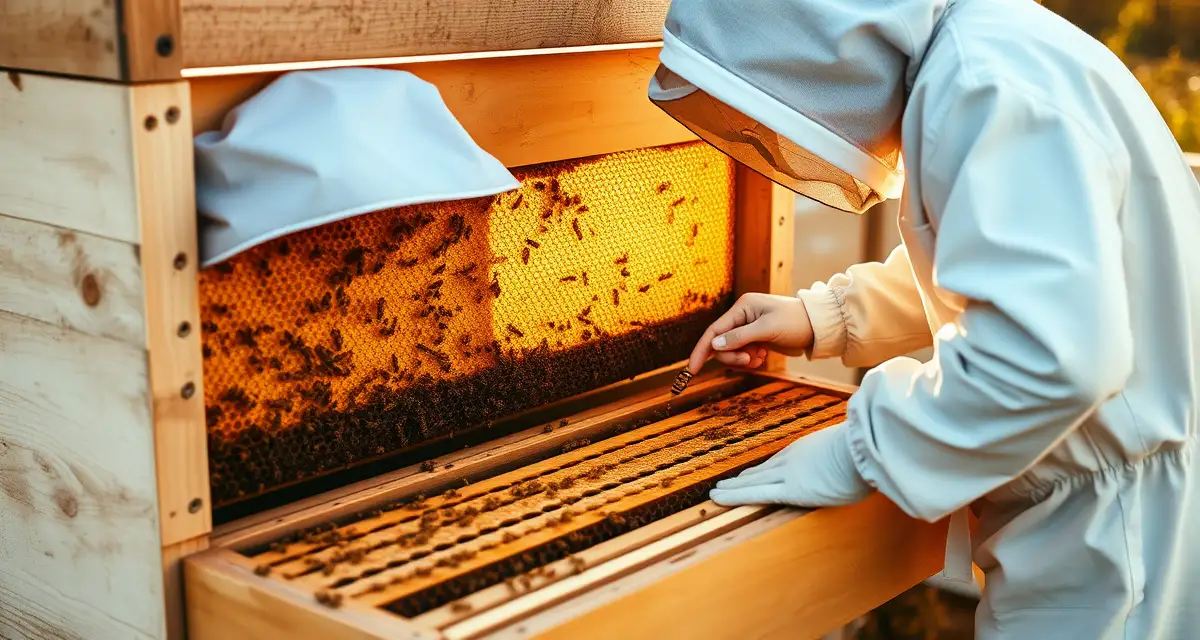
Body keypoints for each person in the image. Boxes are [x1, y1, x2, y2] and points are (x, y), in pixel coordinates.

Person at [645, 0, 1200, 638]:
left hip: (1112, 546)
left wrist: (864, 450)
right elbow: (1016, 267)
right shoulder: (994, 47)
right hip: (1121, 504)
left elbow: (1051, 356)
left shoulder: (977, 80)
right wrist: (823, 315)